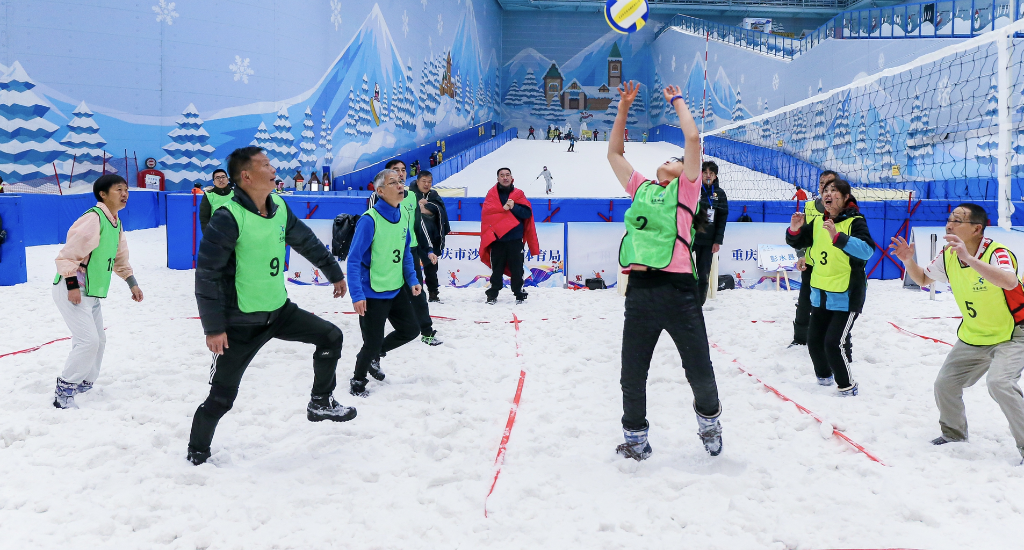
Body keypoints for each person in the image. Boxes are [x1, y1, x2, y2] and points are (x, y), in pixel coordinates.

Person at [187, 146, 354, 466]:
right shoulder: (228, 217)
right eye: (264, 164)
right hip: (240, 324)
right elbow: (207, 275)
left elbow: (307, 242)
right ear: (246, 176)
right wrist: (214, 327)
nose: (273, 169)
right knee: (221, 399)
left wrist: (334, 273)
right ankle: (197, 451)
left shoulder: (278, 207)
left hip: (279, 311)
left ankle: (320, 401)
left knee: (331, 336)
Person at [608, 81, 723, 460]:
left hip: (678, 291)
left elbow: (692, 139)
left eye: (675, 160)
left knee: (699, 370)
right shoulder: (641, 188)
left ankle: (710, 424)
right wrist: (623, 108)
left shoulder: (686, 190)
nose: (670, 161)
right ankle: (636, 441)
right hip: (640, 289)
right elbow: (613, 152)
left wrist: (677, 101)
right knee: (631, 373)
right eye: (670, 160)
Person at [890, 204, 1024, 461]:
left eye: (958, 220)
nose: (949, 224)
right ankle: (954, 434)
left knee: (999, 383)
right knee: (945, 384)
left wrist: (970, 260)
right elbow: (923, 279)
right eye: (949, 219)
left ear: (977, 229)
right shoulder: (948, 254)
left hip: (1013, 334)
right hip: (975, 335)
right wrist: (908, 260)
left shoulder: (998, 252)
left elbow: (1009, 281)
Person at [51, 175, 144, 409]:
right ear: (103, 194)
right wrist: (72, 285)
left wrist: (132, 283)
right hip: (73, 288)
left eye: (126, 189)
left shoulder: (115, 223)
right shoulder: (93, 218)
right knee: (88, 341)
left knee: (99, 340)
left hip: (92, 292)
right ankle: (64, 390)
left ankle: (84, 382)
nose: (125, 194)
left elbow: (120, 259)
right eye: (118, 189)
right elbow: (67, 256)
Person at [785, 179, 874, 396]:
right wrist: (794, 230)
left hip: (847, 295)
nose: (828, 194)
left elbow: (867, 251)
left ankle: (847, 387)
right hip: (821, 294)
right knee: (814, 341)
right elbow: (798, 241)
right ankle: (824, 379)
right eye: (825, 190)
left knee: (833, 343)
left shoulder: (855, 221)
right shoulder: (818, 221)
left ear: (845, 198)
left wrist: (837, 237)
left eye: (834, 191)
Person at [347, 169, 423, 397]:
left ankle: (375, 355)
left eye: (400, 181)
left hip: (395, 288)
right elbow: (353, 260)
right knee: (371, 342)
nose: (400, 185)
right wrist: (357, 295)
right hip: (372, 293)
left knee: (411, 330)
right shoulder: (369, 220)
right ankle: (358, 381)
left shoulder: (403, 216)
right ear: (380, 191)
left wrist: (412, 279)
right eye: (393, 182)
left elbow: (406, 253)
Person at [370, 159, 443, 346]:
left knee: (417, 292)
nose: (401, 173)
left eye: (403, 170)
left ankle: (427, 332)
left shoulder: (412, 197)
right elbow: (373, 227)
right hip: (387, 253)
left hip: (410, 252)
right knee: (383, 293)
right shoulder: (376, 196)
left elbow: (419, 226)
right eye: (396, 170)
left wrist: (428, 249)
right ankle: (374, 340)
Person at [790, 171, 852, 365]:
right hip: (812, 264)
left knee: (838, 306)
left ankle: (843, 346)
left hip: (834, 268)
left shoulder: (846, 210)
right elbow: (802, 233)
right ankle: (800, 338)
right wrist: (801, 255)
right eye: (822, 183)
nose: (825, 187)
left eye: (830, 183)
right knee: (804, 301)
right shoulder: (809, 207)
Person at [481, 167, 539, 305]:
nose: (505, 177)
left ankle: (519, 293)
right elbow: (488, 215)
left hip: (515, 239)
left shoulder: (518, 194)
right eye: (502, 175)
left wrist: (514, 207)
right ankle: (492, 294)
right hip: (498, 240)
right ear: (498, 178)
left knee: (517, 269)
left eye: (507, 175)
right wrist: (503, 211)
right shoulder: (491, 195)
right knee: (497, 269)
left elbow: (527, 214)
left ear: (512, 178)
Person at [412, 170, 450, 303]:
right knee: (413, 267)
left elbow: (439, 211)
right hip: (414, 237)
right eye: (424, 181)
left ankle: (433, 293)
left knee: (431, 267)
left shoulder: (434, 195)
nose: (426, 184)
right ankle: (414, 294)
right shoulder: (409, 194)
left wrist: (426, 205)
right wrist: (421, 207)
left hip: (432, 238)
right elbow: (414, 211)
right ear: (417, 182)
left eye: (429, 182)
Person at [693, 161, 728, 305]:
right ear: (700, 174)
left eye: (711, 173)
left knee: (703, 274)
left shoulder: (720, 194)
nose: (708, 176)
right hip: (691, 238)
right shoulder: (694, 190)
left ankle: (699, 303)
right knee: (684, 271)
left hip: (708, 241)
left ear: (715, 176)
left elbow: (722, 219)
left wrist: (717, 241)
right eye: (705, 173)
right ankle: (684, 300)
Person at [199, 169, 233, 233]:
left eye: (223, 177)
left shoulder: (235, 194)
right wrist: (207, 234)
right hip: (216, 233)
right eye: (217, 178)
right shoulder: (209, 195)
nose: (221, 180)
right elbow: (204, 218)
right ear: (214, 182)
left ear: (227, 180)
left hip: (234, 232)